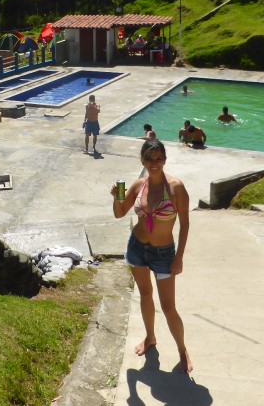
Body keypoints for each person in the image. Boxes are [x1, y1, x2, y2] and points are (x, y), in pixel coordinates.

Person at [111, 139, 192, 374]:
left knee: (168, 306)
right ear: (142, 161)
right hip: (137, 248)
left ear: (164, 160)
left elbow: (185, 225)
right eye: (150, 159)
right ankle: (150, 337)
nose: (154, 163)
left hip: (164, 253)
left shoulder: (176, 188)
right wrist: (116, 196)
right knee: (145, 295)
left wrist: (178, 258)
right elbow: (119, 213)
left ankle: (182, 349)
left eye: (159, 159)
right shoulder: (138, 186)